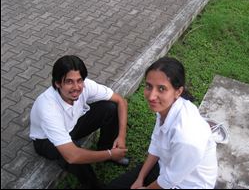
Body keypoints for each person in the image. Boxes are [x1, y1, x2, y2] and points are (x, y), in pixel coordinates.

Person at [107, 57, 218, 189]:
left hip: (188, 184)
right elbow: (156, 145)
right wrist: (140, 178)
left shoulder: (186, 136)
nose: (152, 96)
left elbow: (169, 180)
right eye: (149, 86)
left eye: (161, 89)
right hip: (165, 167)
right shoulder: (166, 109)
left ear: (178, 91)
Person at [29, 55, 129, 189]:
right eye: (69, 82)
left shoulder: (86, 86)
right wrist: (110, 154)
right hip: (46, 141)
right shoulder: (48, 107)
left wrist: (121, 136)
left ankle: (106, 148)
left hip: (72, 125)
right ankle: (93, 185)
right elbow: (72, 156)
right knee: (75, 153)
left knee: (110, 108)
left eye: (79, 80)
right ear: (58, 83)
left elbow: (120, 101)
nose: (76, 87)